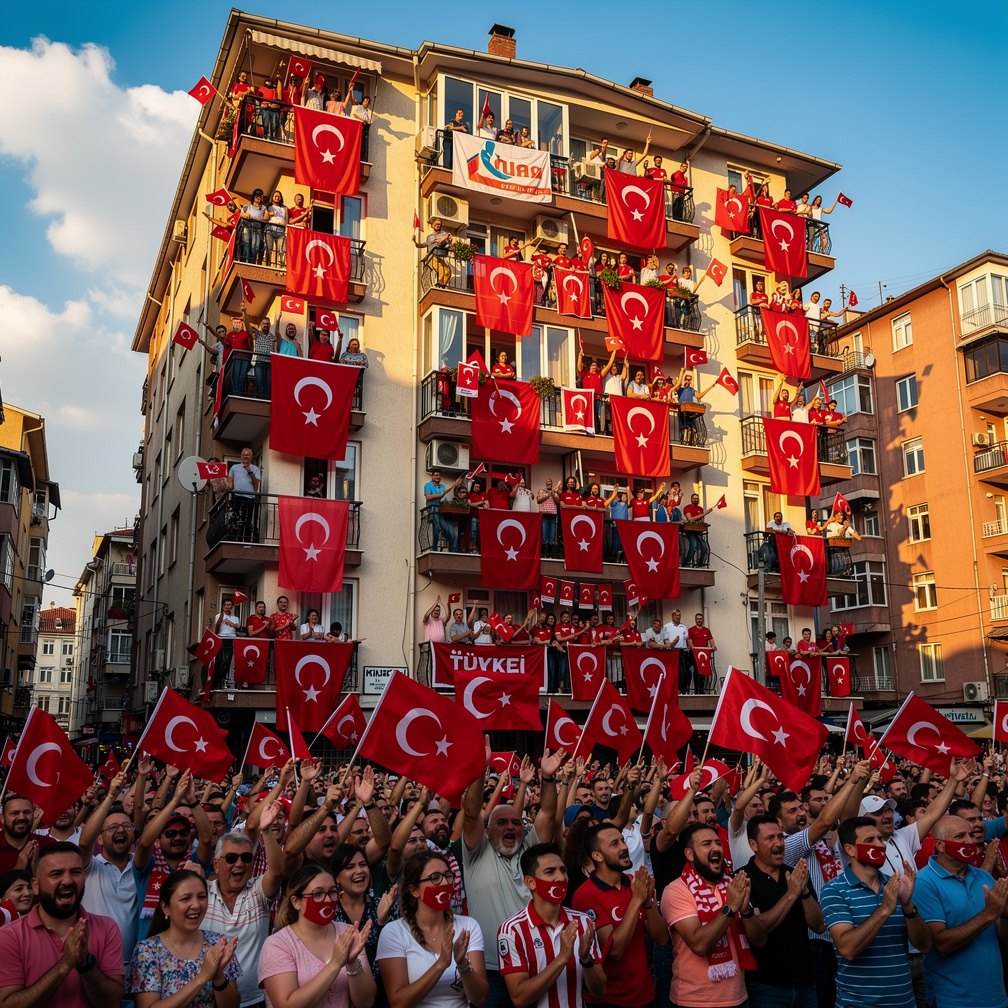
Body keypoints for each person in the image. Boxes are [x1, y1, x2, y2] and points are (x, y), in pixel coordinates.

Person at [462, 749, 564, 1007]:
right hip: (489, 970)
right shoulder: (476, 852)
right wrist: (479, 768)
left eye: (516, 823)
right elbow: (472, 813)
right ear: (487, 831)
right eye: (502, 822)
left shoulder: (531, 851)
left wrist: (548, 779)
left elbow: (548, 814)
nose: (510, 827)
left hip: (533, 965)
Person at [820, 817, 932, 1008]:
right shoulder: (835, 890)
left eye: (881, 839)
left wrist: (907, 906)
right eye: (870, 840)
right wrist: (885, 910)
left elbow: (925, 945)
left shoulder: (896, 885)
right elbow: (847, 949)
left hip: (904, 1002)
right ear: (849, 849)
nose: (880, 845)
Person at [0, 841, 125, 1006]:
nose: (67, 881)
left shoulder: (107, 928)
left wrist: (86, 965)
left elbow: (113, 1003)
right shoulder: (9, 936)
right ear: (35, 886)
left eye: (75, 872)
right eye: (56, 874)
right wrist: (64, 965)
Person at [661, 822, 766, 1008]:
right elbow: (699, 945)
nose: (716, 848)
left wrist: (746, 911)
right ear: (689, 854)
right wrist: (730, 908)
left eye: (718, 842)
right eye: (706, 844)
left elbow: (760, 940)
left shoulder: (733, 885)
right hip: (694, 1001)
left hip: (739, 997)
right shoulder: (676, 890)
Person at [376, 851, 489, 1008]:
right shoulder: (394, 932)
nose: (444, 883)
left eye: (448, 875)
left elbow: (481, 998)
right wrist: (441, 964)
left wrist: (463, 965)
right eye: (435, 878)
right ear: (414, 890)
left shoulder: (468, 926)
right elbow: (398, 1003)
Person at [498, 843, 606, 1008]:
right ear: (530, 882)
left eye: (563, 870)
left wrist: (586, 960)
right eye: (550, 872)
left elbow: (599, 992)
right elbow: (519, 999)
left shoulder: (583, 922)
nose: (561, 878)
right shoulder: (512, 930)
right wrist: (562, 959)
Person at [572, 823, 667, 1008]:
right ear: (597, 856)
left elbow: (662, 938)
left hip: (645, 994)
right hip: (610, 1000)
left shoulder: (634, 884)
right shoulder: (586, 895)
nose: (624, 847)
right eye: (614, 844)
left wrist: (647, 902)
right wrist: (637, 900)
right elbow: (614, 951)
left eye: (622, 841)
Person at [259, 864, 375, 1008]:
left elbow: (366, 1002)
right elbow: (286, 1004)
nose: (328, 900)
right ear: (296, 902)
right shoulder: (277, 944)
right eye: (317, 894)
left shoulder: (347, 932)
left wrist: (352, 963)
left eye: (332, 892)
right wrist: (335, 964)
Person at [740, 815, 824, 1008]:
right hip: (765, 987)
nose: (779, 843)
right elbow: (757, 931)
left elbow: (819, 926)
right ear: (753, 844)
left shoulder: (795, 874)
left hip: (805, 984)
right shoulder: (743, 878)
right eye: (770, 838)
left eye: (781, 837)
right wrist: (791, 894)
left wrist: (803, 893)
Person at [126, 867, 240, 1008]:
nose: (196, 905)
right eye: (185, 898)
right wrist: (202, 978)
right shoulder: (147, 951)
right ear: (165, 907)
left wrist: (218, 977)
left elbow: (233, 1005)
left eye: (202, 897)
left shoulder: (218, 944)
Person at [202, 821, 283, 1008]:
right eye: (231, 857)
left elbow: (277, 871)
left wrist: (266, 830)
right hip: (209, 999)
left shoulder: (257, 890)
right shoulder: (202, 893)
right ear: (216, 864)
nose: (239, 863)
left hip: (257, 999)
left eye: (246, 857)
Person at [228, 448, 262, 543]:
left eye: (247, 455)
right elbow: (230, 483)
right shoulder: (234, 467)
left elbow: (256, 484)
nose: (245, 456)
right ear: (241, 456)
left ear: (251, 457)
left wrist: (250, 472)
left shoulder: (255, 469)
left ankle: (246, 540)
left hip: (249, 497)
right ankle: (236, 539)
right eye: (244, 454)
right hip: (237, 496)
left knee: (247, 520)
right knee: (236, 519)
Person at [424, 470, 462, 553]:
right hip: (434, 510)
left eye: (439, 475)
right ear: (432, 476)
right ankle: (434, 550)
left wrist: (454, 486)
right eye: (436, 475)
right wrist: (440, 495)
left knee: (452, 534)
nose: (438, 477)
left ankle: (452, 552)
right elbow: (428, 497)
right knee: (436, 531)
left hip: (442, 511)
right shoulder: (428, 485)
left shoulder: (442, 486)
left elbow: (444, 498)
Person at [414, 218, 452, 288]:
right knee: (440, 268)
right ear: (432, 225)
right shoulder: (430, 237)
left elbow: (449, 238)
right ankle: (440, 284)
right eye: (436, 224)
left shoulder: (443, 234)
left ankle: (441, 284)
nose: (437, 226)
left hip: (440, 255)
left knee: (447, 270)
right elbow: (423, 245)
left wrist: (443, 238)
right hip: (432, 256)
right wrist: (415, 242)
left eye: (439, 224)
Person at [537, 479, 559, 550]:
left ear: (552, 483)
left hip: (553, 516)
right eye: (547, 482)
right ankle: (543, 553)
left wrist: (553, 495)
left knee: (552, 536)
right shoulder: (541, 491)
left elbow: (558, 502)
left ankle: (550, 554)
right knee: (544, 535)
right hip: (544, 515)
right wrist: (548, 495)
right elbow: (538, 500)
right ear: (546, 483)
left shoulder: (556, 492)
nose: (548, 483)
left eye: (549, 482)